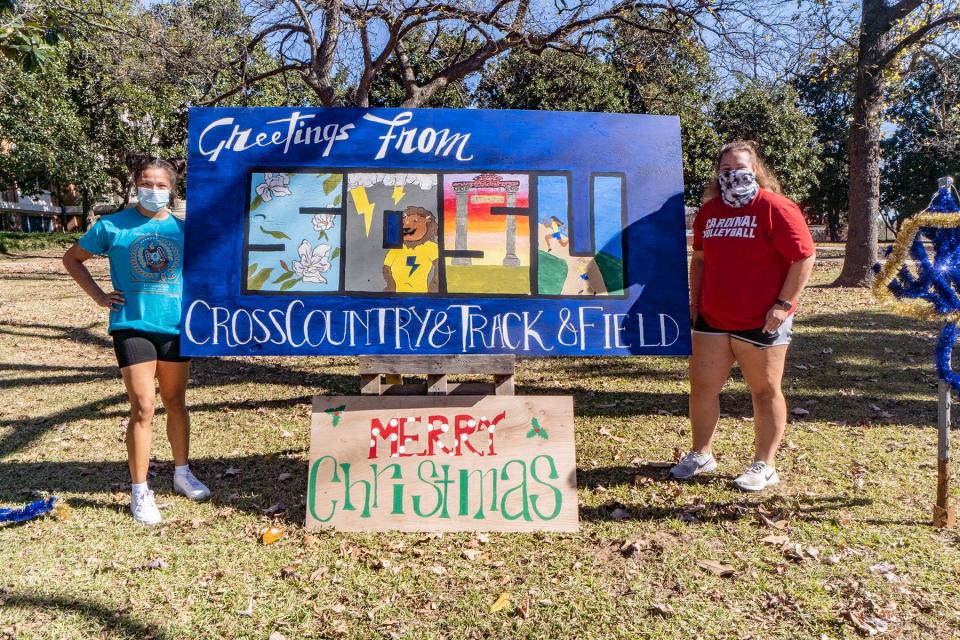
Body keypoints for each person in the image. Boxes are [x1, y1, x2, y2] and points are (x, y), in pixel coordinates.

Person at [63, 155, 210, 525]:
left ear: (173, 189)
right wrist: (99, 296)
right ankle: (140, 490)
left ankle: (181, 473)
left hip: (176, 328)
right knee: (143, 406)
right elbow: (73, 259)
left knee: (176, 401)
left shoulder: (187, 230)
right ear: (135, 185)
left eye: (162, 185)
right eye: (147, 183)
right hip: (132, 325)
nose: (154, 190)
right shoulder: (112, 226)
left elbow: (211, 270)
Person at [671, 140, 816, 492]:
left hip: (762, 319)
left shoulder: (776, 208)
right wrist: (694, 304)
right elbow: (701, 260)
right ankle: (701, 453)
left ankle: (765, 464)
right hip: (712, 318)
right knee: (703, 387)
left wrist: (784, 305)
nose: (733, 176)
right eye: (725, 171)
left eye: (741, 169)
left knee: (764, 391)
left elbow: (804, 257)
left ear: (756, 172)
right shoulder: (710, 212)